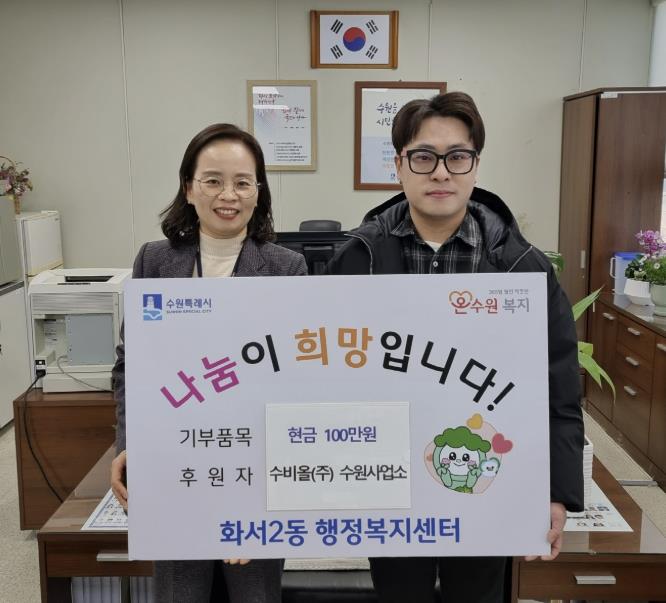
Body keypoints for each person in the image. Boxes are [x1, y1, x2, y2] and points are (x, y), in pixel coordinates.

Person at [326, 92, 584, 602]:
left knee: (479, 593)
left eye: (457, 157)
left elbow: (558, 387)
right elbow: (326, 377)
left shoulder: (523, 267)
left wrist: (556, 491)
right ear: (399, 165)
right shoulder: (357, 259)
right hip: (389, 478)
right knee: (400, 594)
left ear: (475, 165)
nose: (441, 172)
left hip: (486, 474)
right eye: (423, 157)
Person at [110, 123, 307, 603]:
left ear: (258, 191)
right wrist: (130, 445)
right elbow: (130, 366)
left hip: (255, 469)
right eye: (213, 180)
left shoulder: (287, 268)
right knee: (181, 592)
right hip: (174, 461)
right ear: (188, 187)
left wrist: (267, 497)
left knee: (255, 595)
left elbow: (298, 384)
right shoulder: (154, 261)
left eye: (243, 182)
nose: (228, 195)